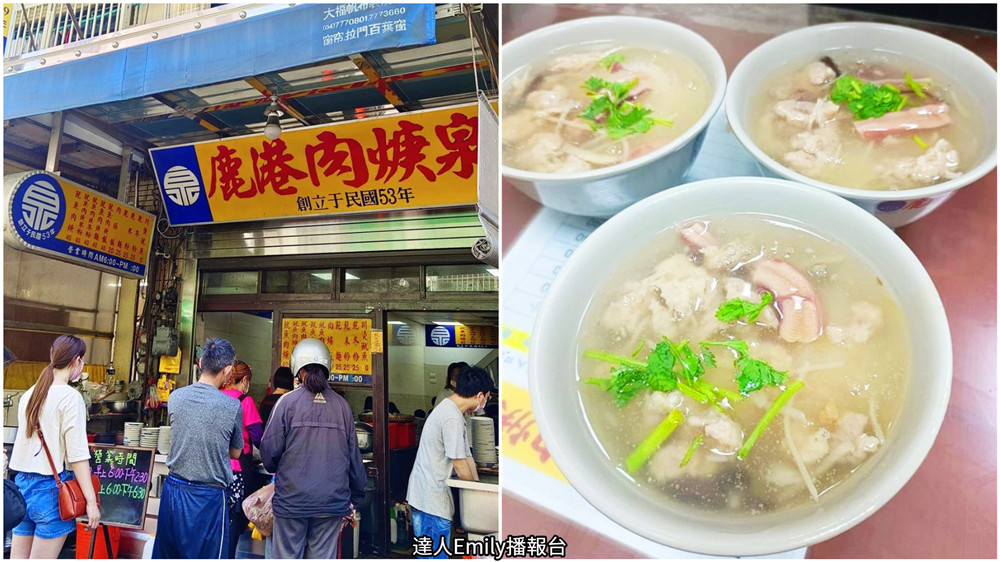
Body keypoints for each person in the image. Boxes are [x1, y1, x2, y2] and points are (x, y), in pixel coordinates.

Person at [259, 338, 367, 559]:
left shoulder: (286, 403)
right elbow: (354, 459)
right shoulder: (342, 406)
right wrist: (354, 497)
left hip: (292, 502)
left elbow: (268, 453)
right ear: (327, 367)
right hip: (331, 503)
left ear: (297, 369)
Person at [9, 335, 100, 559]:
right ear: (77, 361)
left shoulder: (30, 393)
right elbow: (78, 456)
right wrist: (91, 502)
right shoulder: (71, 398)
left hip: (21, 486)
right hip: (51, 489)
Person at [152, 338, 243, 559]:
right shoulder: (232, 406)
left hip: (173, 490)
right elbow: (235, 452)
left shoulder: (175, 397)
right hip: (208, 497)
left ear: (201, 362)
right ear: (228, 370)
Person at [407, 366, 492, 559]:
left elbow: (467, 458)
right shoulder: (451, 418)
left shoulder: (451, 410)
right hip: (430, 500)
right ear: (479, 396)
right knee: (433, 556)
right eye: (487, 397)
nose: (485, 403)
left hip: (430, 496)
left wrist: (477, 487)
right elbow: (460, 464)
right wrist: (477, 497)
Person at [220, 360, 264, 559]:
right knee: (233, 526)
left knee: (216, 525)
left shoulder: (215, 398)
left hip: (213, 470)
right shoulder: (245, 402)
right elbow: (259, 438)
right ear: (244, 380)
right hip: (238, 472)